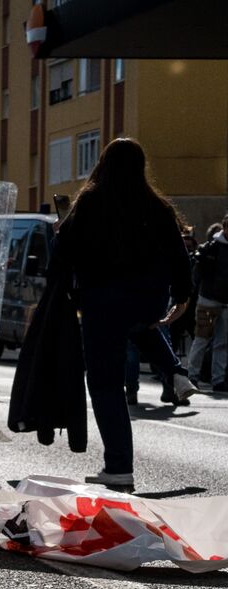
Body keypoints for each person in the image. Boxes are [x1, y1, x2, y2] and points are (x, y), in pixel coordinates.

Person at [47, 138, 195, 490]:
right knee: (141, 324)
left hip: (103, 305)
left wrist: (61, 235)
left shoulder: (91, 202)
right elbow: (179, 253)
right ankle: (174, 372)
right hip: (148, 299)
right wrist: (182, 296)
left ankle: (118, 467)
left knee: (105, 385)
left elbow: (62, 253)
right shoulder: (157, 207)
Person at [187, 218, 228, 390]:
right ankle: (192, 376)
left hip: (222, 301)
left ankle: (218, 379)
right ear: (225, 228)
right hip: (209, 300)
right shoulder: (212, 247)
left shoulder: (213, 246)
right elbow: (197, 274)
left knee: (222, 342)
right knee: (202, 339)